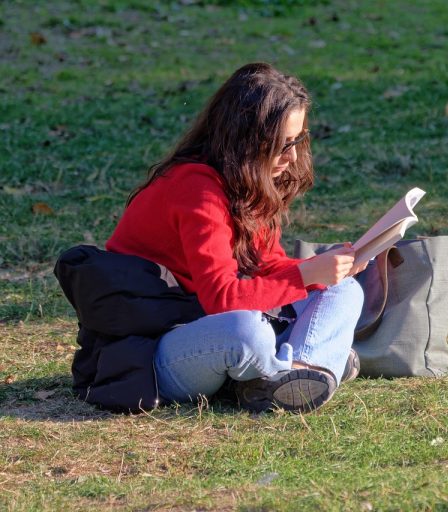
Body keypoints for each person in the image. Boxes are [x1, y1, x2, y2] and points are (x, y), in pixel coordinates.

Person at [104, 62, 365, 414]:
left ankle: (300, 373)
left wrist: (326, 270)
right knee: (246, 330)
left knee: (343, 289)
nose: (290, 157)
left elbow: (265, 265)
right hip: (155, 349)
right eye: (280, 144)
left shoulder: (246, 181)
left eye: (297, 140)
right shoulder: (198, 189)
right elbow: (223, 300)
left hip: (205, 328)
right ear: (243, 138)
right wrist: (307, 275)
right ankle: (309, 363)